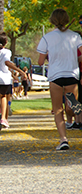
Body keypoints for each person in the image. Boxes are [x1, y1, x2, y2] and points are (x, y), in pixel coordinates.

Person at [37, 8, 82, 150]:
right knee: (71, 106)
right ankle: (73, 112)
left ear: (52, 21)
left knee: (57, 109)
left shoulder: (47, 38)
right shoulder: (75, 36)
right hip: (72, 75)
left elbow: (39, 61)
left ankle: (63, 140)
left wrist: (52, 55)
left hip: (55, 76)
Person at [0, 32, 26, 131]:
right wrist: (20, 71)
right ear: (6, 42)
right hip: (5, 79)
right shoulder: (7, 52)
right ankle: (3, 119)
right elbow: (7, 62)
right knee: (3, 98)